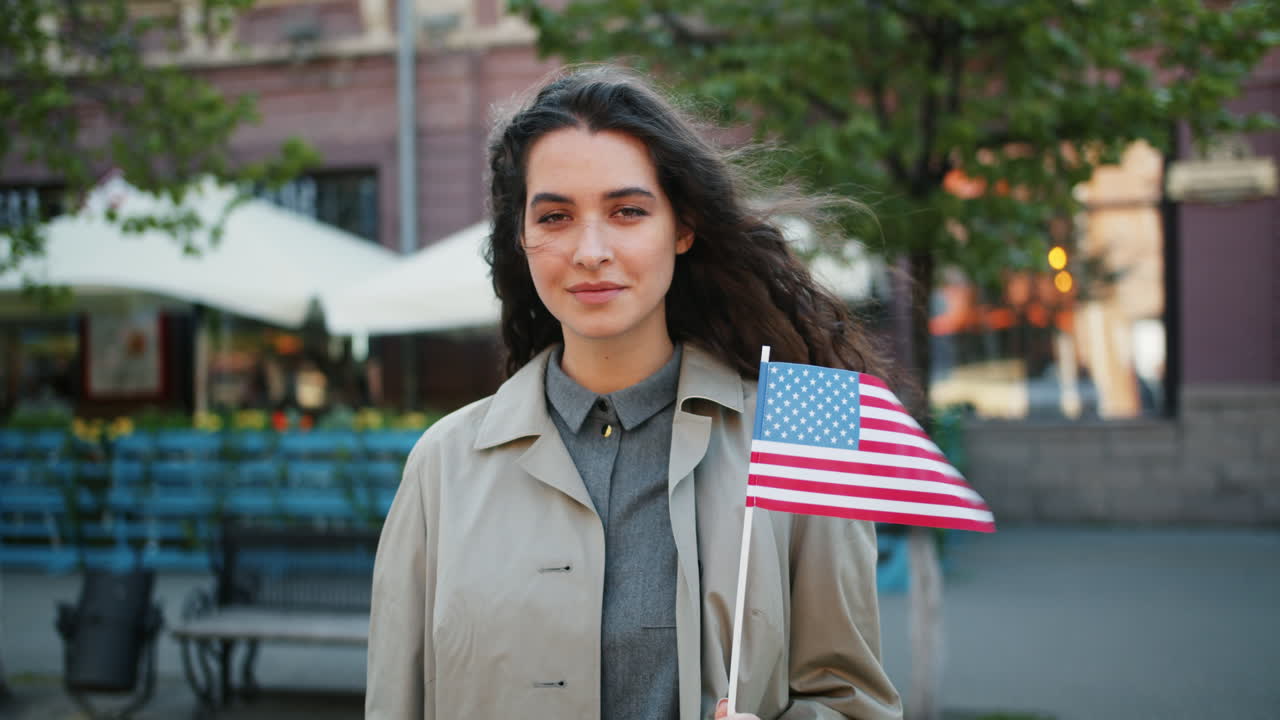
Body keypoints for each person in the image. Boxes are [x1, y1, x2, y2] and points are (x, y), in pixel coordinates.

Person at [367, 65, 903, 720]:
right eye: (556, 216)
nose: (590, 251)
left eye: (626, 211)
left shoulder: (800, 433)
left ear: (682, 227)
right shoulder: (442, 466)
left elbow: (856, 704)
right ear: (522, 238)